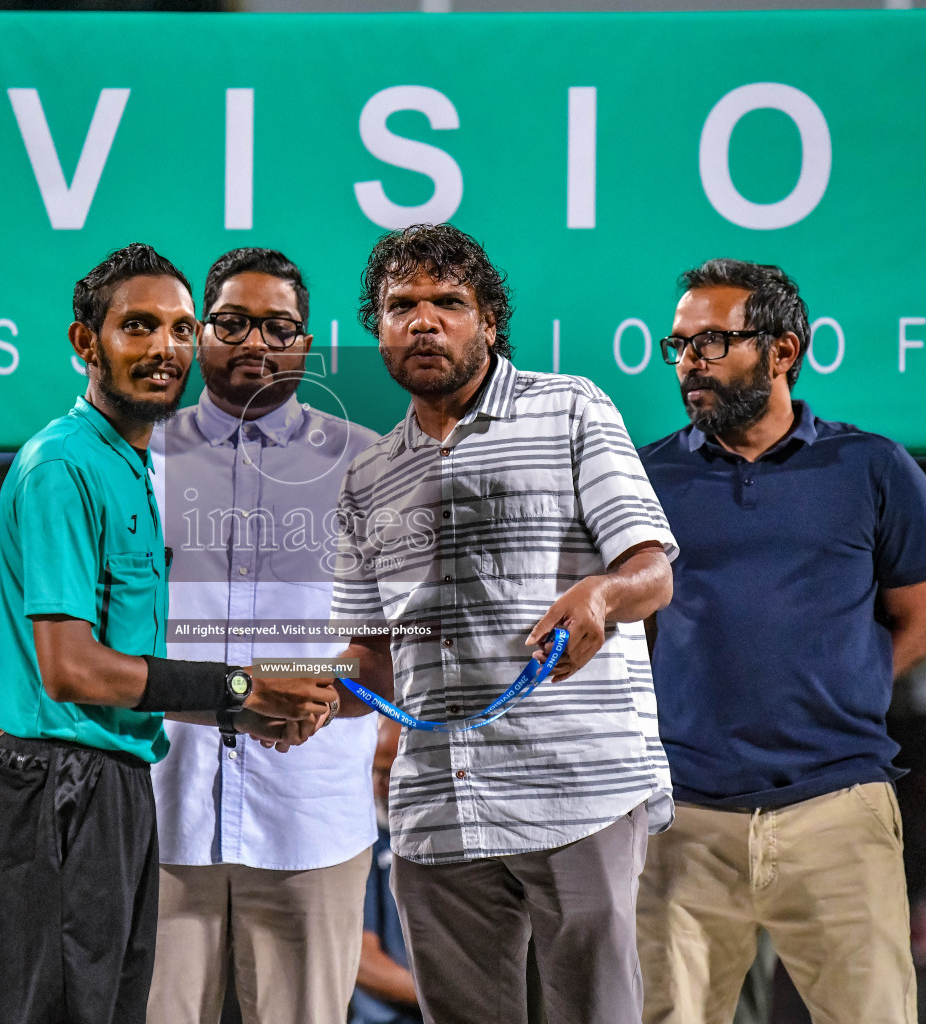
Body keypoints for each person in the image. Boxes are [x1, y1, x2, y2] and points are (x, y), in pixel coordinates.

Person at [330, 223, 678, 1024]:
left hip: (575, 793)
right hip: (435, 813)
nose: (424, 321)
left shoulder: (571, 409)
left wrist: (599, 595)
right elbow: (370, 662)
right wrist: (312, 692)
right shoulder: (368, 477)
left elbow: (652, 571)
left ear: (488, 321)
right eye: (401, 305)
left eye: (448, 303)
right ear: (377, 328)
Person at [0, 243, 337, 1024]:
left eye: (180, 329)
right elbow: (72, 669)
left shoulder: (133, 466)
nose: (165, 349)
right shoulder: (60, 467)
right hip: (60, 789)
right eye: (138, 327)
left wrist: (248, 704)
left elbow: (127, 671)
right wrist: (238, 690)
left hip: (116, 785)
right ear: (86, 343)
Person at [637, 258, 926, 1024]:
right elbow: (633, 633)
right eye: (678, 346)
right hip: (684, 818)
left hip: (839, 809)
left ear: (784, 351)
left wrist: (846, 690)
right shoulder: (644, 476)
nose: (689, 364)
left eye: (712, 342)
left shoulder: (871, 468)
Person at [147, 248, 379, 1024]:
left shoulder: (367, 463)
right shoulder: (137, 456)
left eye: (279, 327)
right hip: (161, 810)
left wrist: (294, 694)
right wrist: (250, 691)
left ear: (307, 345)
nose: (256, 342)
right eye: (234, 323)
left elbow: (396, 638)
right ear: (199, 333)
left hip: (309, 820)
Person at [350, 719, 420, 1024]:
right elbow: (361, 961)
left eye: (391, 773)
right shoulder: (364, 844)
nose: (381, 785)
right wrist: (446, 997)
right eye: (376, 772)